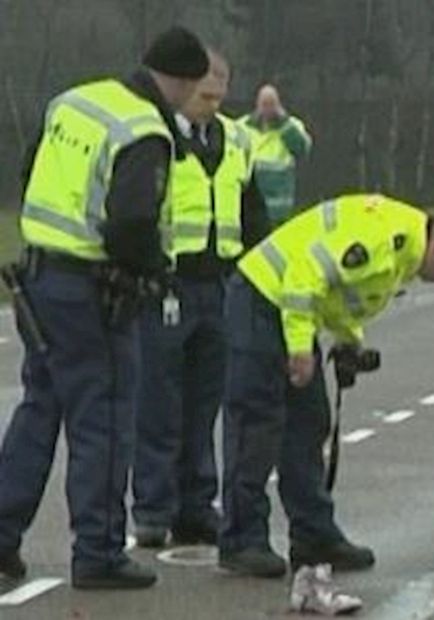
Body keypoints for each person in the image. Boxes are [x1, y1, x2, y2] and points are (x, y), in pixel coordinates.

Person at [0, 27, 209, 590]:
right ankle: (98, 550)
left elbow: (29, 174)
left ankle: (1, 536)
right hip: (94, 291)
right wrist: (153, 273)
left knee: (40, 409)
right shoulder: (144, 130)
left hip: (40, 276)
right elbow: (132, 223)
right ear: (185, 83)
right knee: (106, 420)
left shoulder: (75, 100)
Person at [218, 194, 434, 578]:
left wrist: (349, 341)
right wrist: (299, 350)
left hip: (290, 309)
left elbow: (337, 294)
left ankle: (313, 535)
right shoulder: (381, 241)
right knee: (256, 425)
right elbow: (303, 277)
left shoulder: (403, 250)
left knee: (309, 423)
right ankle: (241, 539)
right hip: (264, 298)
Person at [131, 51, 271, 549]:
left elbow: (253, 216)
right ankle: (151, 507)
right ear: (183, 87)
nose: (211, 105)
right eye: (203, 95)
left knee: (206, 402)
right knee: (158, 401)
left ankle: (196, 505)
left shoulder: (237, 140)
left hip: (221, 285)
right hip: (169, 285)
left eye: (219, 95)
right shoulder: (156, 137)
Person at [238, 84, 311, 225]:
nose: (268, 108)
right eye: (265, 104)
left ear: (279, 104)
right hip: (248, 209)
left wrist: (283, 122)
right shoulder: (242, 126)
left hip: (279, 212)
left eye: (272, 104)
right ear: (257, 104)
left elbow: (301, 150)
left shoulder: (291, 126)